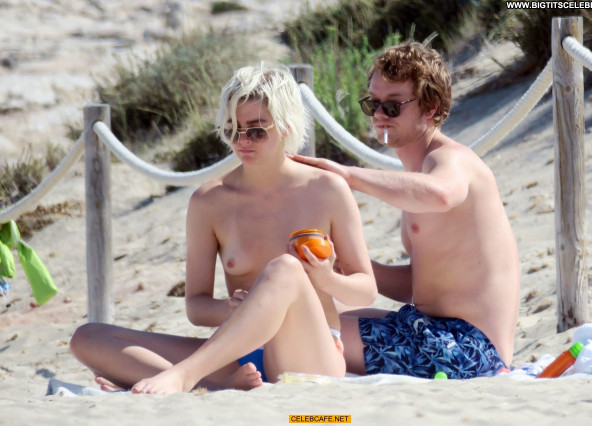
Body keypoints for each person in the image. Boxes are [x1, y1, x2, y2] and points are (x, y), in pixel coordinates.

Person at [70, 63, 377, 394]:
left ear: (286, 125)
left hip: (309, 353)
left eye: (256, 131)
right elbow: (196, 306)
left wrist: (325, 279)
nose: (241, 141)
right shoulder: (210, 201)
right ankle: (211, 384)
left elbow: (366, 290)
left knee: (286, 269)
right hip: (239, 353)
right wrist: (228, 308)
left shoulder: (326, 189)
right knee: (88, 337)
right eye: (232, 130)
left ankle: (185, 376)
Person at [292, 41, 520, 379]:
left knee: (306, 334)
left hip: (468, 348)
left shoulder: (451, 160)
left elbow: (441, 195)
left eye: (393, 106)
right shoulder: (419, 174)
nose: (379, 115)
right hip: (439, 331)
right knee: (317, 318)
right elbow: (422, 286)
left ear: (430, 107)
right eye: (373, 104)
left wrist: (349, 176)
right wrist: (344, 266)